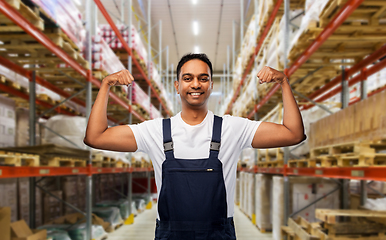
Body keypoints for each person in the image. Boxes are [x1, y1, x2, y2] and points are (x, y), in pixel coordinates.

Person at [84, 53, 306, 240]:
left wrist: (284, 83)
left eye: (203, 78)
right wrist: (106, 85)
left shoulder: (233, 128)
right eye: (188, 78)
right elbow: (96, 137)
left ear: (210, 84)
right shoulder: (154, 131)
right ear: (177, 85)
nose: (196, 84)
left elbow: (293, 134)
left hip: (218, 234)